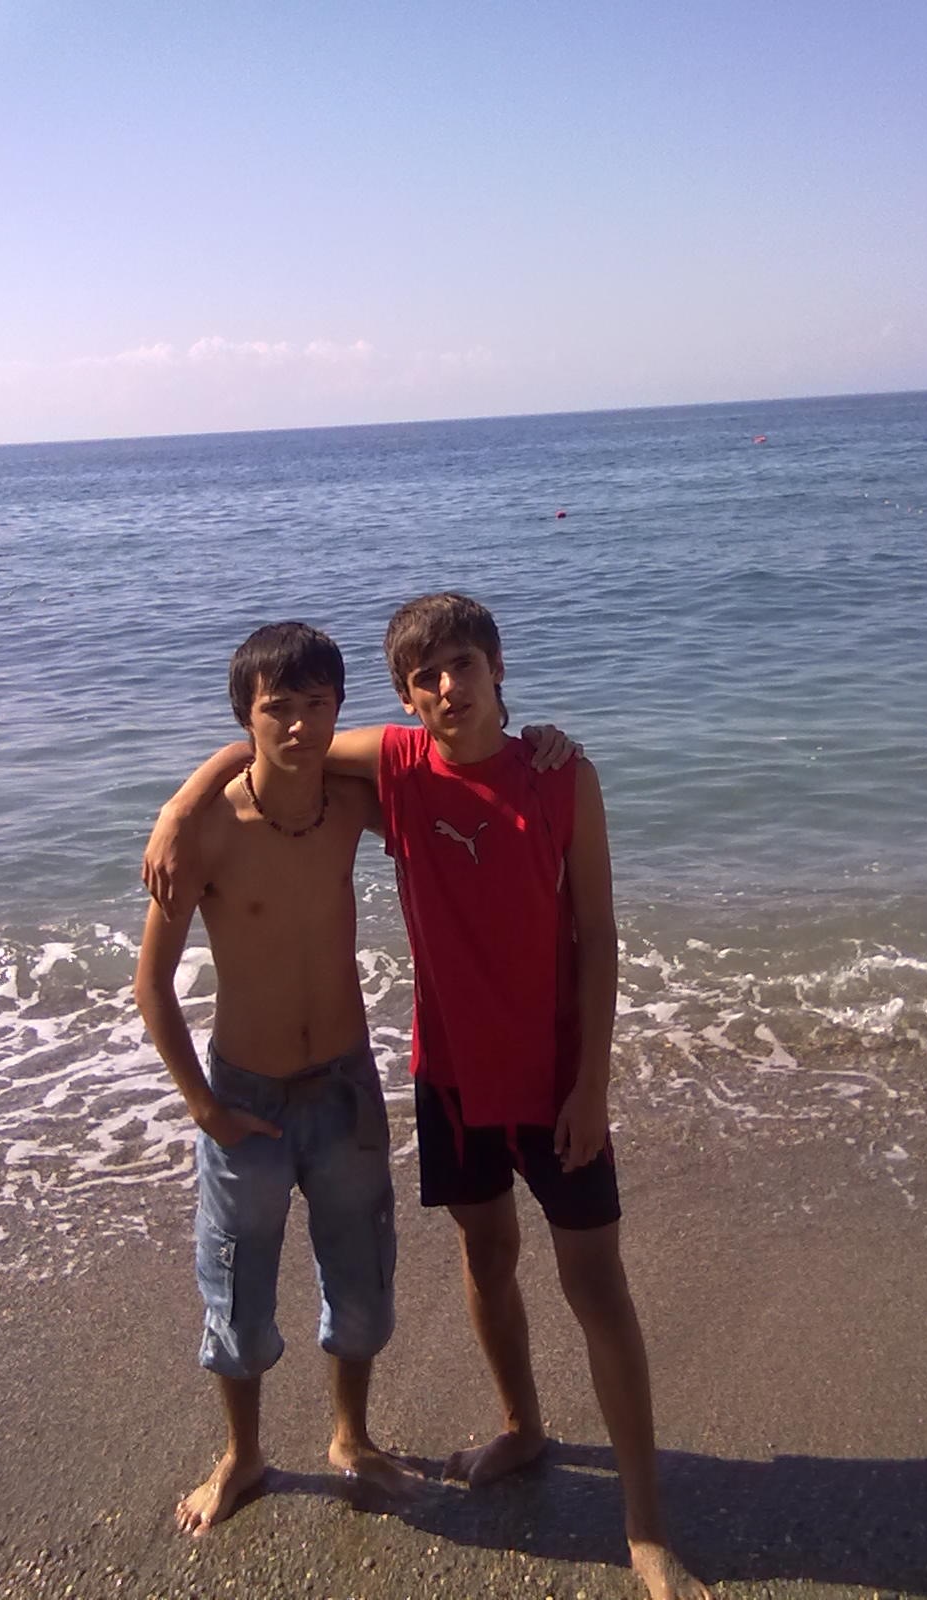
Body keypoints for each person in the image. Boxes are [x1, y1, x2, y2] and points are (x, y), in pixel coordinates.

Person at [144, 596, 709, 1600]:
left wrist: (592, 1084)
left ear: (498, 668)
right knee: (485, 1258)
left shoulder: (561, 776)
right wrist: (186, 801)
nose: (449, 688)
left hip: (552, 1079)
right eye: (426, 677)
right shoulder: (399, 767)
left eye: (464, 666)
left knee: (595, 1287)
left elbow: (600, 938)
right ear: (407, 698)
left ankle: (647, 1528)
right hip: (447, 1075)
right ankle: (522, 1428)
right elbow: (276, 743)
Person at [134, 621, 417, 1538]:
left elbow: (447, 778)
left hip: (344, 1086)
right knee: (237, 1292)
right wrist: (203, 1106)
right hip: (244, 1095)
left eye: (316, 705)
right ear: (246, 718)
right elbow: (151, 985)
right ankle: (244, 1456)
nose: (298, 725)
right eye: (276, 709)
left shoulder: (347, 804)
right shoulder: (207, 831)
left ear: (338, 710)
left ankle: (351, 1437)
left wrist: (541, 753)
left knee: (363, 1281)